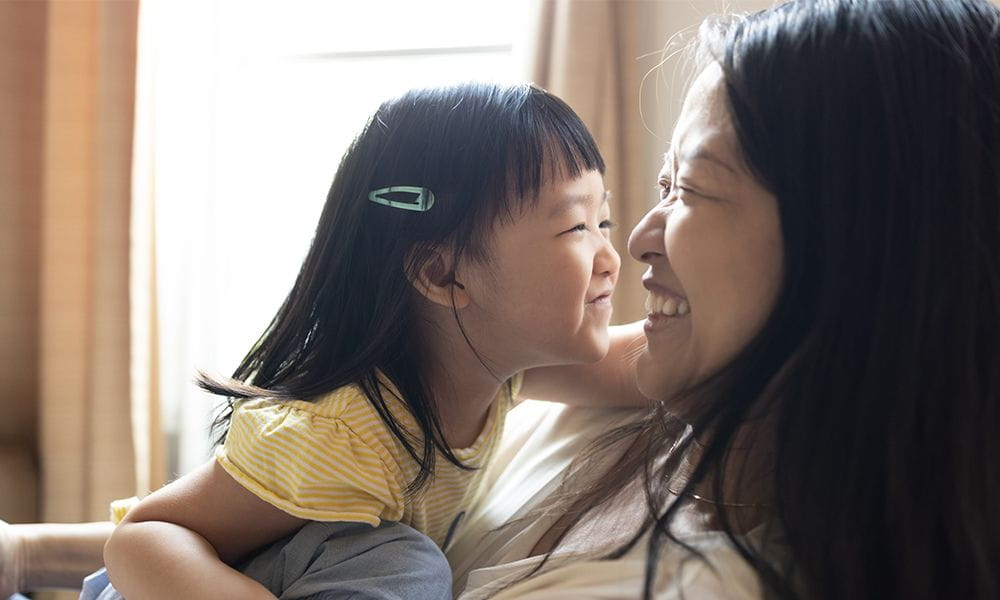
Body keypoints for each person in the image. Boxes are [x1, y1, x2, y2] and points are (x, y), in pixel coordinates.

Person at [4, 0, 1000, 598]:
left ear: (856, 245)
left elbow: (631, 362)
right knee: (396, 562)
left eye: (681, 195)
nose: (631, 247)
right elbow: (166, 536)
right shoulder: (350, 433)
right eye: (588, 225)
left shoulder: (542, 373)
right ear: (444, 275)